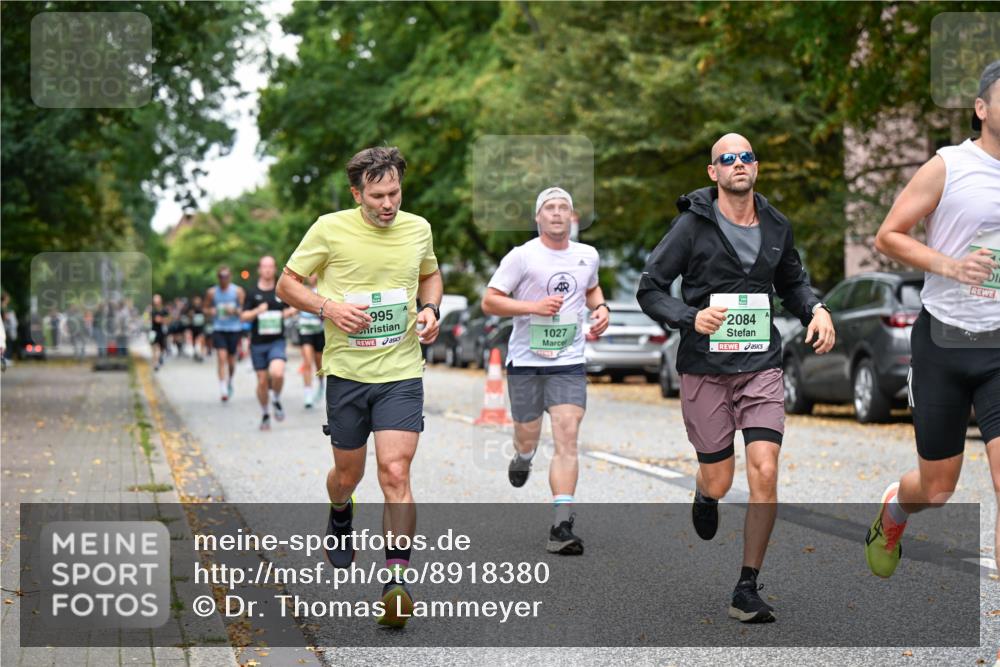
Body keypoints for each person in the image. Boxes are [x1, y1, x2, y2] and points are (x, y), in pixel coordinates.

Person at [636, 133, 835, 623]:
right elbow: (650, 288)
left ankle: (747, 585)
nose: (738, 163)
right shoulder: (691, 226)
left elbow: (792, 282)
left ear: (756, 167)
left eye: (746, 157)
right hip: (705, 368)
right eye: (728, 158)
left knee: (764, 469)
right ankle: (705, 491)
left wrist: (817, 309)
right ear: (714, 172)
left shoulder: (776, 224)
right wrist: (690, 317)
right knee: (721, 480)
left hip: (761, 365)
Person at [276, 146, 441, 628]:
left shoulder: (418, 229)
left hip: (401, 371)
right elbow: (287, 285)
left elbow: (431, 275)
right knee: (348, 475)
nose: (388, 204)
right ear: (357, 194)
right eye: (377, 196)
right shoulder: (329, 229)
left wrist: (431, 309)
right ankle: (340, 508)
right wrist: (328, 308)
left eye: (394, 193)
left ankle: (396, 582)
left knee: (395, 471)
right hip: (347, 374)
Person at [864, 60, 1000, 578]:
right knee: (938, 488)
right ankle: (896, 508)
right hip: (944, 341)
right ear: (981, 108)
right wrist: (951, 266)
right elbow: (888, 235)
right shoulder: (950, 166)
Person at [481, 186, 609, 555]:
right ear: (538, 217)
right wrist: (532, 307)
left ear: (572, 216)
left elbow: (592, 288)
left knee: (567, 434)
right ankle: (523, 457)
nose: (556, 213)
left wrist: (602, 309)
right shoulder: (522, 256)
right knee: (528, 436)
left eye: (563, 207)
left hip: (568, 360)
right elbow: (490, 301)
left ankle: (561, 524)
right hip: (526, 362)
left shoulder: (588, 255)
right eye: (549, 207)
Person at [241, 256, 296, 431]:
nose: (267, 269)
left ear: (275, 269)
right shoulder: (252, 292)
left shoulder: (281, 290)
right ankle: (265, 413)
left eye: (270, 266)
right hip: (258, 343)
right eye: (264, 266)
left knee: (277, 373)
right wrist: (258, 311)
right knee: (263, 382)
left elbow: (294, 307)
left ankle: (276, 399)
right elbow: (243, 316)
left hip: (277, 341)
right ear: (259, 269)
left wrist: (286, 314)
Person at [205, 267, 245, 402]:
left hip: (234, 329)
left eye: (226, 276)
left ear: (230, 277)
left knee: (231, 361)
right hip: (219, 328)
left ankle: (230, 380)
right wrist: (211, 311)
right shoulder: (212, 292)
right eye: (221, 276)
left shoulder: (237, 291)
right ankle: (223, 388)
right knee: (221, 358)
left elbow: (244, 309)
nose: (224, 279)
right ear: (218, 278)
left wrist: (234, 310)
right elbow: (205, 308)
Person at [297, 275, 326, 409]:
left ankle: (321, 384)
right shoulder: (301, 290)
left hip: (319, 331)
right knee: (307, 362)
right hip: (305, 331)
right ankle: (308, 393)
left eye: (314, 274)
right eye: (310, 274)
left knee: (319, 364)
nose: (312, 277)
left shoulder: (323, 290)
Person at [150, 295, 169, 370]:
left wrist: (162, 320)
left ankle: (159, 358)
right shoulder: (152, 310)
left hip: (162, 331)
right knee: (154, 347)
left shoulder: (164, 310)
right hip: (153, 331)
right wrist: (163, 319)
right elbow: (157, 320)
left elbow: (168, 320)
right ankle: (155, 363)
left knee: (161, 347)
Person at [190, 294, 207, 362]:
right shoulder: (191, 308)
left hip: (201, 326)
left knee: (202, 338)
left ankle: (201, 354)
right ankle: (195, 351)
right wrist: (190, 314)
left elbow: (206, 315)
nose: (197, 301)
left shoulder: (203, 307)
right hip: (194, 327)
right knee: (194, 340)